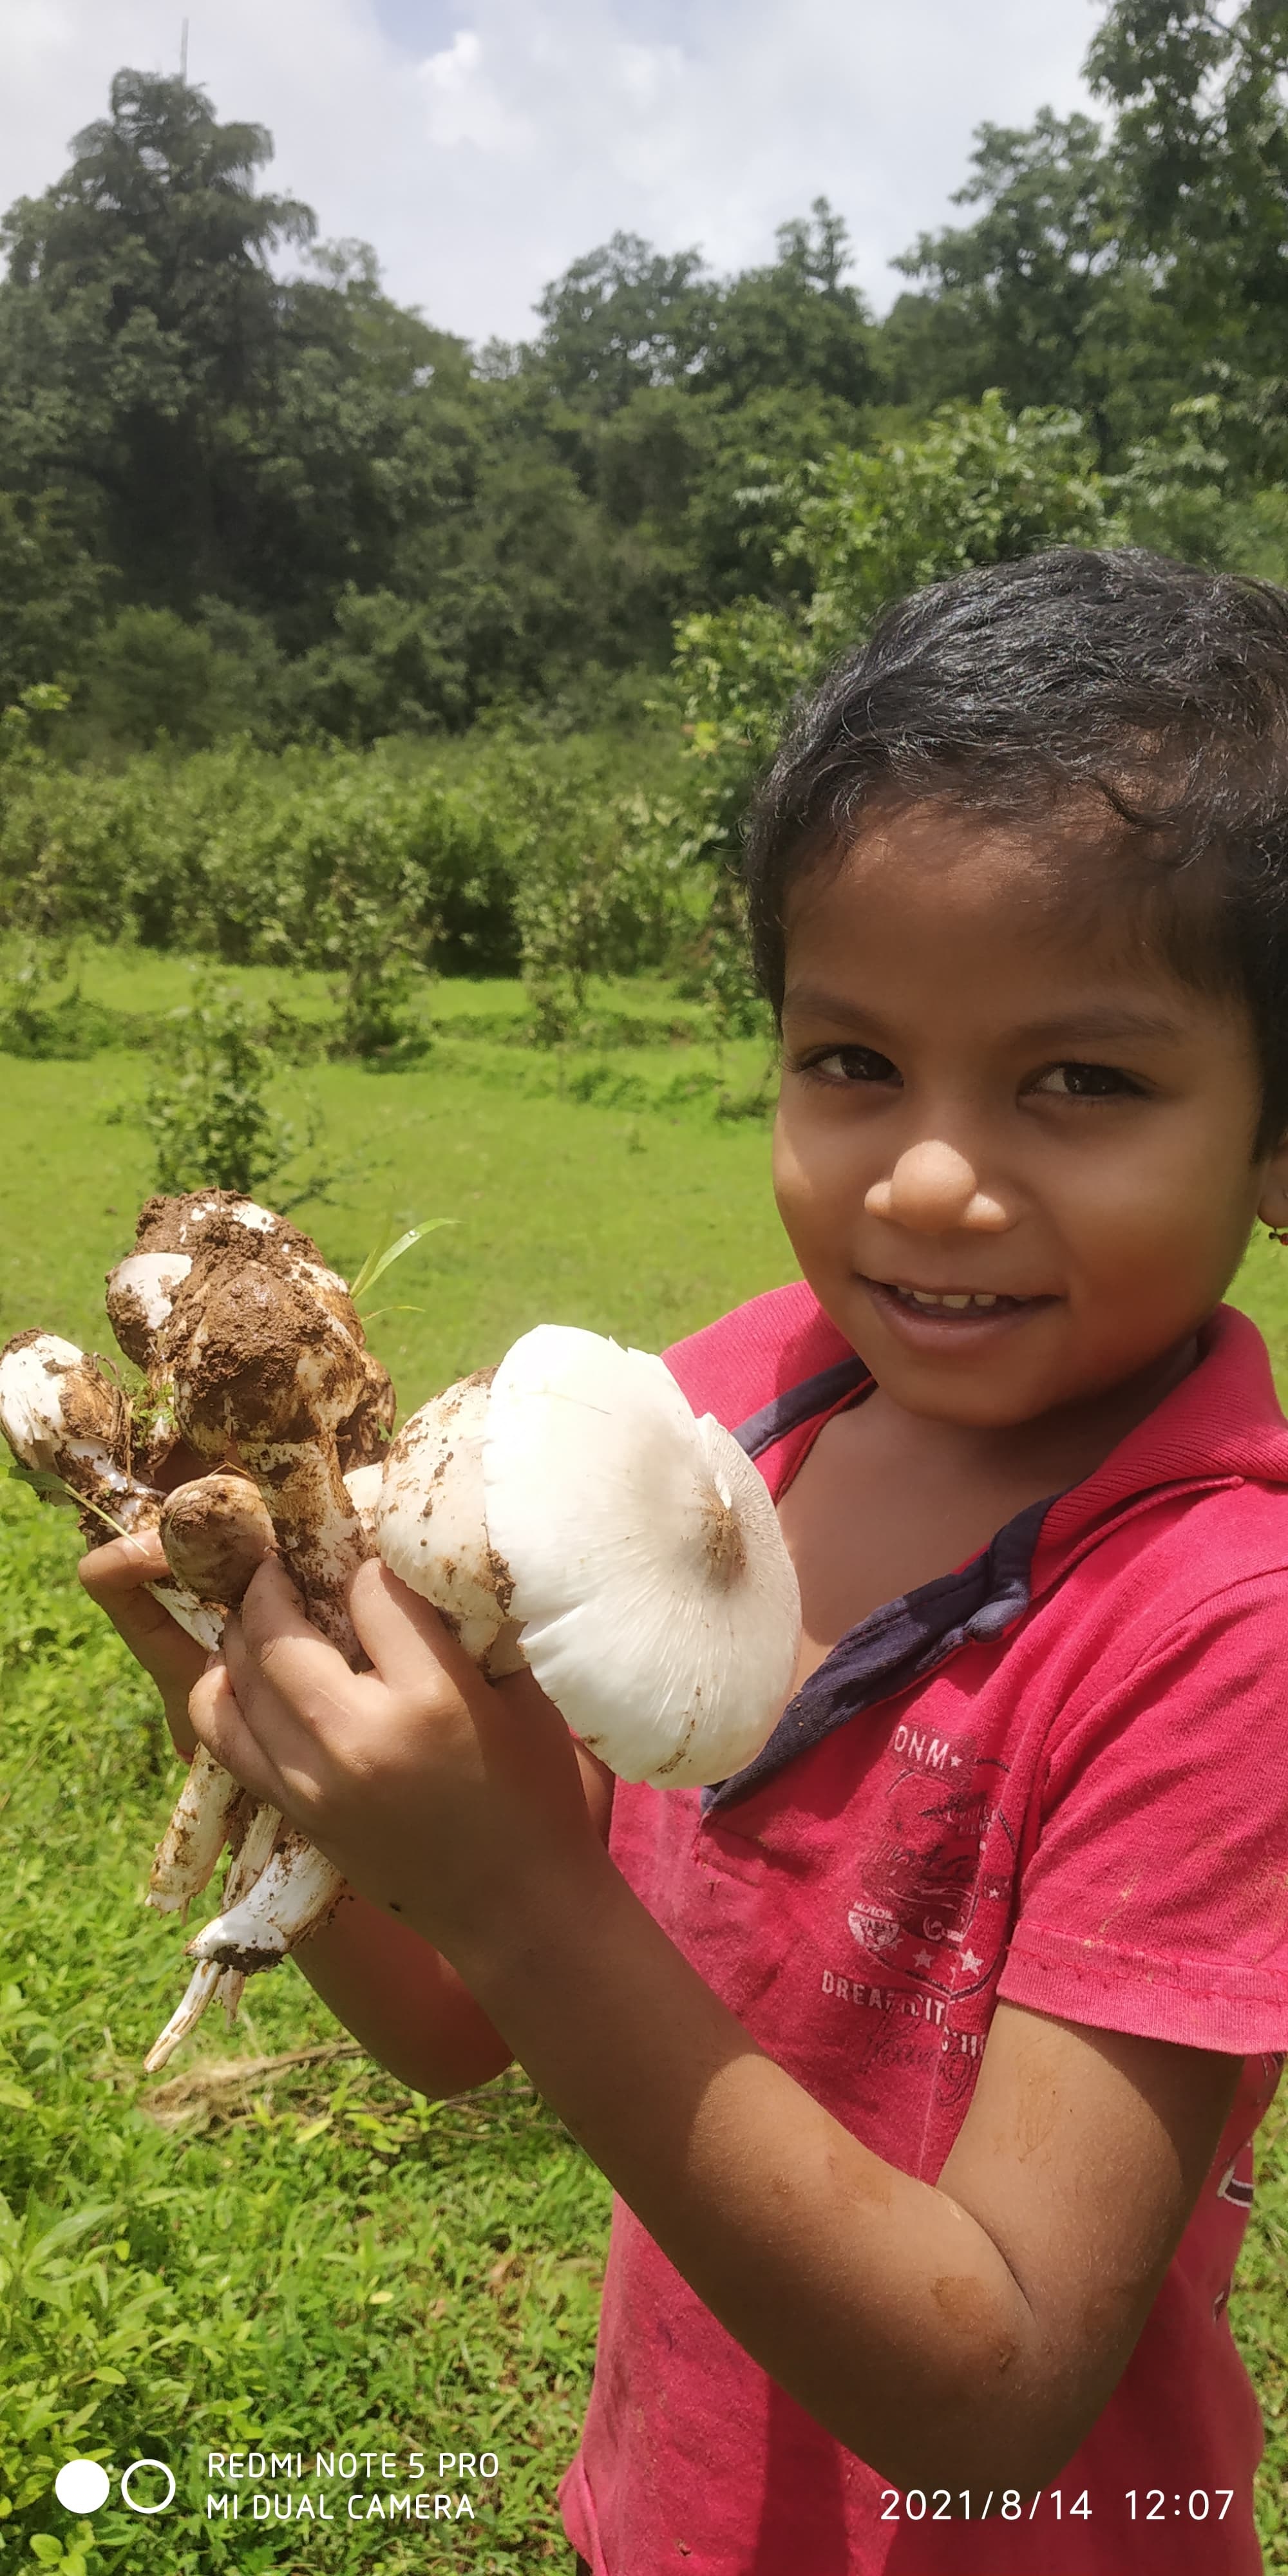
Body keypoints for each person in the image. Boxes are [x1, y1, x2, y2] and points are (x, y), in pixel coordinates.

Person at [83, 547, 1288, 2575]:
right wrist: (251, 1687)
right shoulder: (716, 1416)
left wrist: (528, 1899)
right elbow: (467, 2024)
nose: (925, 1175)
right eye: (851, 1061)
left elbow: (991, 2406)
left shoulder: (1220, 1635)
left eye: (1084, 1081)